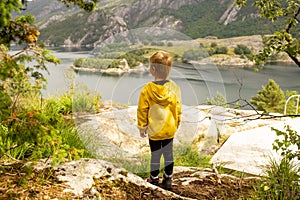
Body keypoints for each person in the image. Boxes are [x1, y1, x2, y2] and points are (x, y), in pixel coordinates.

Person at [137, 50, 182, 190]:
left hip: (154, 131)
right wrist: (176, 124)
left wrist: (142, 127)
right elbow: (178, 109)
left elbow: (142, 110)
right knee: (169, 154)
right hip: (169, 129)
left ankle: (154, 179)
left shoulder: (147, 90)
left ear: (153, 69)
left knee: (155, 155)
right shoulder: (174, 88)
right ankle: (168, 178)